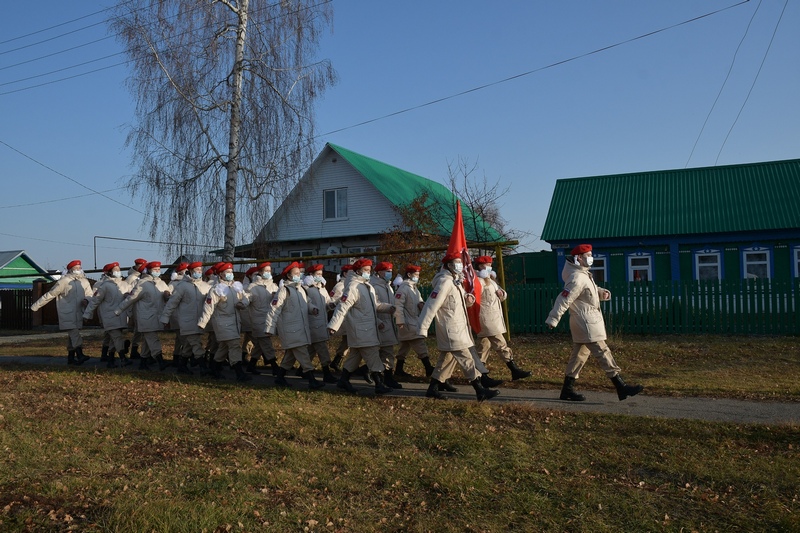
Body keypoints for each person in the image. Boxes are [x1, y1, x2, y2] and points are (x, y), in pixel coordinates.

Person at [545, 244, 644, 401]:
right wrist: (553, 318)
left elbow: (589, 291)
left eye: (591, 255)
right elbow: (564, 299)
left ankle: (567, 390)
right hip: (585, 323)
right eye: (587, 256)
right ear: (578, 258)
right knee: (603, 352)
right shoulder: (577, 278)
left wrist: (600, 293)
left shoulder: (583, 275)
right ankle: (621, 387)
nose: (591, 258)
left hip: (587, 321)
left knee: (579, 356)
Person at [417, 252, 499, 402]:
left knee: (446, 360)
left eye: (460, 262)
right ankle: (480, 390)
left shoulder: (455, 281)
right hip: (451, 329)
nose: (460, 265)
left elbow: (460, 303)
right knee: (467, 359)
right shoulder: (444, 282)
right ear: (448, 265)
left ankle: (433, 389)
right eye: (457, 263)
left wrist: (469, 299)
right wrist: (423, 328)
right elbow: (431, 306)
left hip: (460, 328)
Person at [327, 258, 395, 394]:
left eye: (369, 271)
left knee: (354, 357)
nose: (368, 273)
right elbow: (342, 307)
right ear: (358, 271)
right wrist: (333, 325)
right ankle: (379, 384)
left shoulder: (367, 286)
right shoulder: (352, 287)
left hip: (368, 329)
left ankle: (343, 381)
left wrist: (389, 308)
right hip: (361, 330)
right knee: (373, 355)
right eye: (365, 270)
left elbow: (374, 306)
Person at [264, 261, 325, 390]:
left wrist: (313, 309)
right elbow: (274, 310)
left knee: (290, 357)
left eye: (300, 273)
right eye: (296, 273)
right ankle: (312, 380)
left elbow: (307, 302)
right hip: (290, 330)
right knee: (303, 355)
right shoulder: (284, 291)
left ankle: (280, 378)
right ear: (289, 276)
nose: (299, 275)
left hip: (300, 328)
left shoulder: (300, 289)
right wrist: (269, 327)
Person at [474, 256, 532, 381]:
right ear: (479, 266)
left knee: (483, 347)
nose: (489, 266)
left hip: (493, 318)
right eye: (486, 264)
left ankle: (480, 375)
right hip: (486, 319)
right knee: (501, 344)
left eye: (490, 264)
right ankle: (514, 369)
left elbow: (501, 294)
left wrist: (502, 294)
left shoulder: (491, 280)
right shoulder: (478, 281)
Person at [31, 259, 93, 365]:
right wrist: (36, 306)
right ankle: (80, 354)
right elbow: (50, 294)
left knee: (72, 336)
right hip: (67, 313)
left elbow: (90, 294)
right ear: (70, 270)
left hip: (79, 312)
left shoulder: (84, 281)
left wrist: (86, 300)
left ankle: (70, 358)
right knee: (75, 334)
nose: (79, 270)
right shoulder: (64, 281)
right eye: (76, 268)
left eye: (79, 268)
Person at [197, 263, 252, 382]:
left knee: (223, 348)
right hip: (223, 323)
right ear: (220, 274)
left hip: (235, 322)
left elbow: (245, 298)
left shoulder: (235, 287)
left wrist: (242, 304)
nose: (230, 274)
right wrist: (202, 323)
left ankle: (214, 369)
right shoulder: (216, 290)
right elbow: (208, 307)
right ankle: (239, 373)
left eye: (231, 272)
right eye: (227, 272)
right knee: (234, 345)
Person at [115, 261, 170, 370]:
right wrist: (118, 310)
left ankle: (143, 363)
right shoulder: (142, 284)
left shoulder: (161, 283)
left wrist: (167, 295)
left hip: (156, 317)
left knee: (146, 341)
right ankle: (160, 361)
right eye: (155, 270)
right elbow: (130, 299)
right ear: (149, 270)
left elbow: (168, 293)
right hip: (145, 318)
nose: (157, 272)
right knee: (153, 339)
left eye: (159, 270)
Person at [159, 261, 211, 374]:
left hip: (199, 321)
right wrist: (165, 318)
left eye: (200, 270)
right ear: (190, 272)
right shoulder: (183, 286)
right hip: (186, 321)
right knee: (196, 344)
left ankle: (181, 366)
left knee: (188, 345)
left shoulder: (205, 286)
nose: (199, 272)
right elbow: (172, 303)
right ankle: (203, 368)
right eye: (197, 270)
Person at [83, 262, 132, 368]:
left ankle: (110, 360)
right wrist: (87, 314)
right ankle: (123, 359)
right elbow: (95, 301)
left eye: (119, 269)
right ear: (109, 272)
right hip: (109, 317)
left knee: (113, 340)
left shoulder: (122, 285)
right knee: (117, 338)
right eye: (116, 270)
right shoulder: (104, 286)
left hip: (121, 317)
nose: (118, 272)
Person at [392, 264, 435, 379]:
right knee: (420, 345)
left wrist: (422, 305)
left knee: (404, 348)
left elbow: (419, 300)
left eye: (418, 275)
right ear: (409, 275)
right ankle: (429, 368)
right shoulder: (403, 288)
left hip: (412, 321)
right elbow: (398, 305)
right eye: (415, 275)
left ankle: (399, 370)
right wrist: (400, 321)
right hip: (407, 323)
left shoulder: (414, 288)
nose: (417, 277)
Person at [302, 264, 338, 383]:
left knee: (312, 349)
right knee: (322, 349)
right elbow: (307, 304)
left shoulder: (322, 288)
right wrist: (313, 310)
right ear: (311, 275)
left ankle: (303, 370)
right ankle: (326, 373)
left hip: (322, 322)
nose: (320, 276)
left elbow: (327, 302)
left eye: (321, 274)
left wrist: (330, 305)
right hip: (313, 323)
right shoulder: (307, 289)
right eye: (317, 274)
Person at [369, 261, 402, 388]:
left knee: (386, 352)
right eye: (387, 271)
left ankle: (384, 376)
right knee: (383, 352)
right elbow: (372, 306)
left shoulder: (387, 286)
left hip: (388, 323)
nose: (390, 273)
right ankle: (381, 376)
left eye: (390, 271)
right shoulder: (374, 286)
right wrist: (379, 321)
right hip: (380, 323)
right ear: (379, 272)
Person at [244, 262, 280, 375]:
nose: (268, 273)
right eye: (266, 271)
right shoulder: (253, 287)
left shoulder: (274, 286)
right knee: (267, 344)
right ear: (260, 272)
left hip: (270, 319)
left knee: (260, 345)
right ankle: (275, 367)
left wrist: (276, 296)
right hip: (258, 320)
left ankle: (251, 365)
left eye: (270, 271)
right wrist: (243, 302)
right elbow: (246, 299)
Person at [327, 264, 352, 370]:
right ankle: (339, 362)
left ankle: (337, 362)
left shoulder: (349, 285)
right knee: (349, 341)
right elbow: (332, 303)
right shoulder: (340, 286)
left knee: (348, 342)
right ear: (345, 273)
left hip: (350, 318)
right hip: (344, 318)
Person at [124, 258, 148, 359]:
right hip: (134, 307)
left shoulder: (140, 277)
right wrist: (130, 313)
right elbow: (129, 295)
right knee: (138, 330)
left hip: (140, 307)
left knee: (139, 331)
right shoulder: (131, 279)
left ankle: (135, 349)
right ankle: (133, 349)